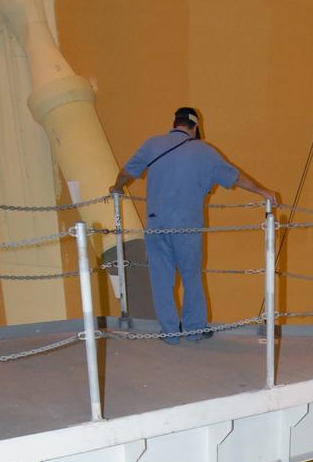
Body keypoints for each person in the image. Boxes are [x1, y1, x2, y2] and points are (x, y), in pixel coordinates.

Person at [111, 107, 279, 343]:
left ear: (175, 123)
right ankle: (194, 330)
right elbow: (236, 177)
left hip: (156, 224)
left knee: (161, 279)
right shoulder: (205, 152)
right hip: (187, 227)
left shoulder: (152, 144)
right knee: (191, 277)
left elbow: (125, 173)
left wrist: (116, 188)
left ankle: (169, 333)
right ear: (195, 126)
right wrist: (263, 191)